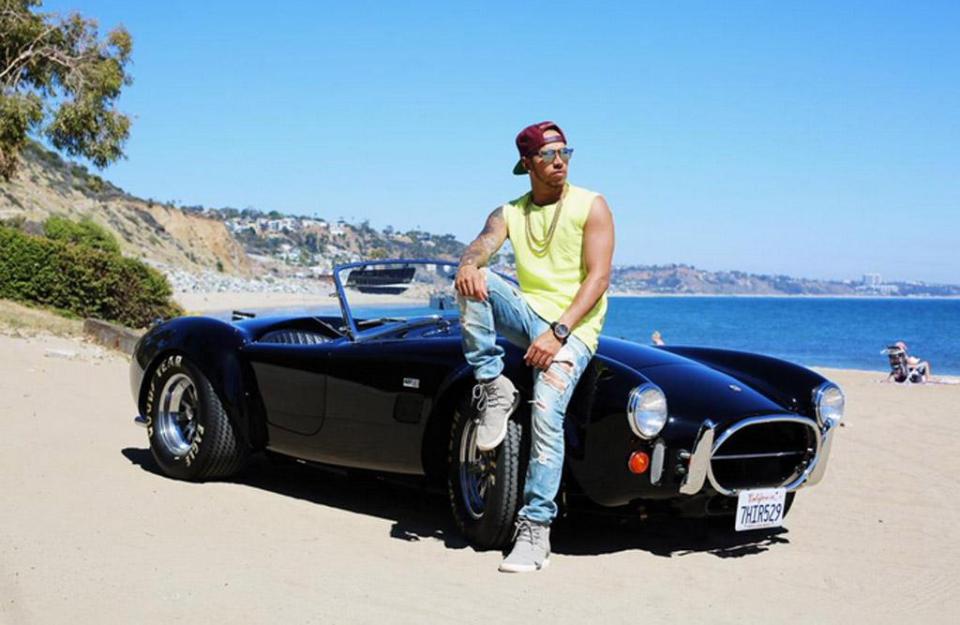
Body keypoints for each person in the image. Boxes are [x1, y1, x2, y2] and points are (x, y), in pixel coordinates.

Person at [454, 121, 615, 573]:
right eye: (547, 155)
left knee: (546, 410)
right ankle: (493, 384)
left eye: (565, 152)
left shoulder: (592, 205)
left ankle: (535, 529)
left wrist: (559, 332)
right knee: (472, 278)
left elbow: (598, 279)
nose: (559, 161)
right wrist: (468, 262)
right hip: (529, 315)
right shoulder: (509, 212)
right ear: (527, 164)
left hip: (575, 327)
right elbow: (481, 246)